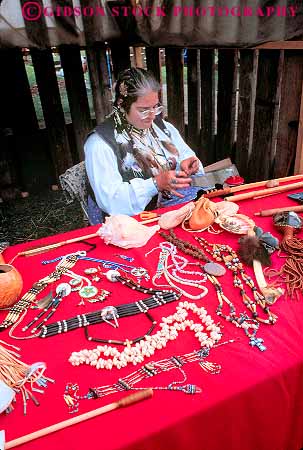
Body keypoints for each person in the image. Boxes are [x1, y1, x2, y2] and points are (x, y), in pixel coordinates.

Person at [84, 68, 205, 224]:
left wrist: (187, 161)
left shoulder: (161, 127)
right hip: (126, 221)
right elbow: (111, 201)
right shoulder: (100, 144)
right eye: (143, 110)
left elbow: (183, 152)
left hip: (166, 204)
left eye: (155, 107)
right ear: (122, 106)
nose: (153, 115)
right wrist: (155, 184)